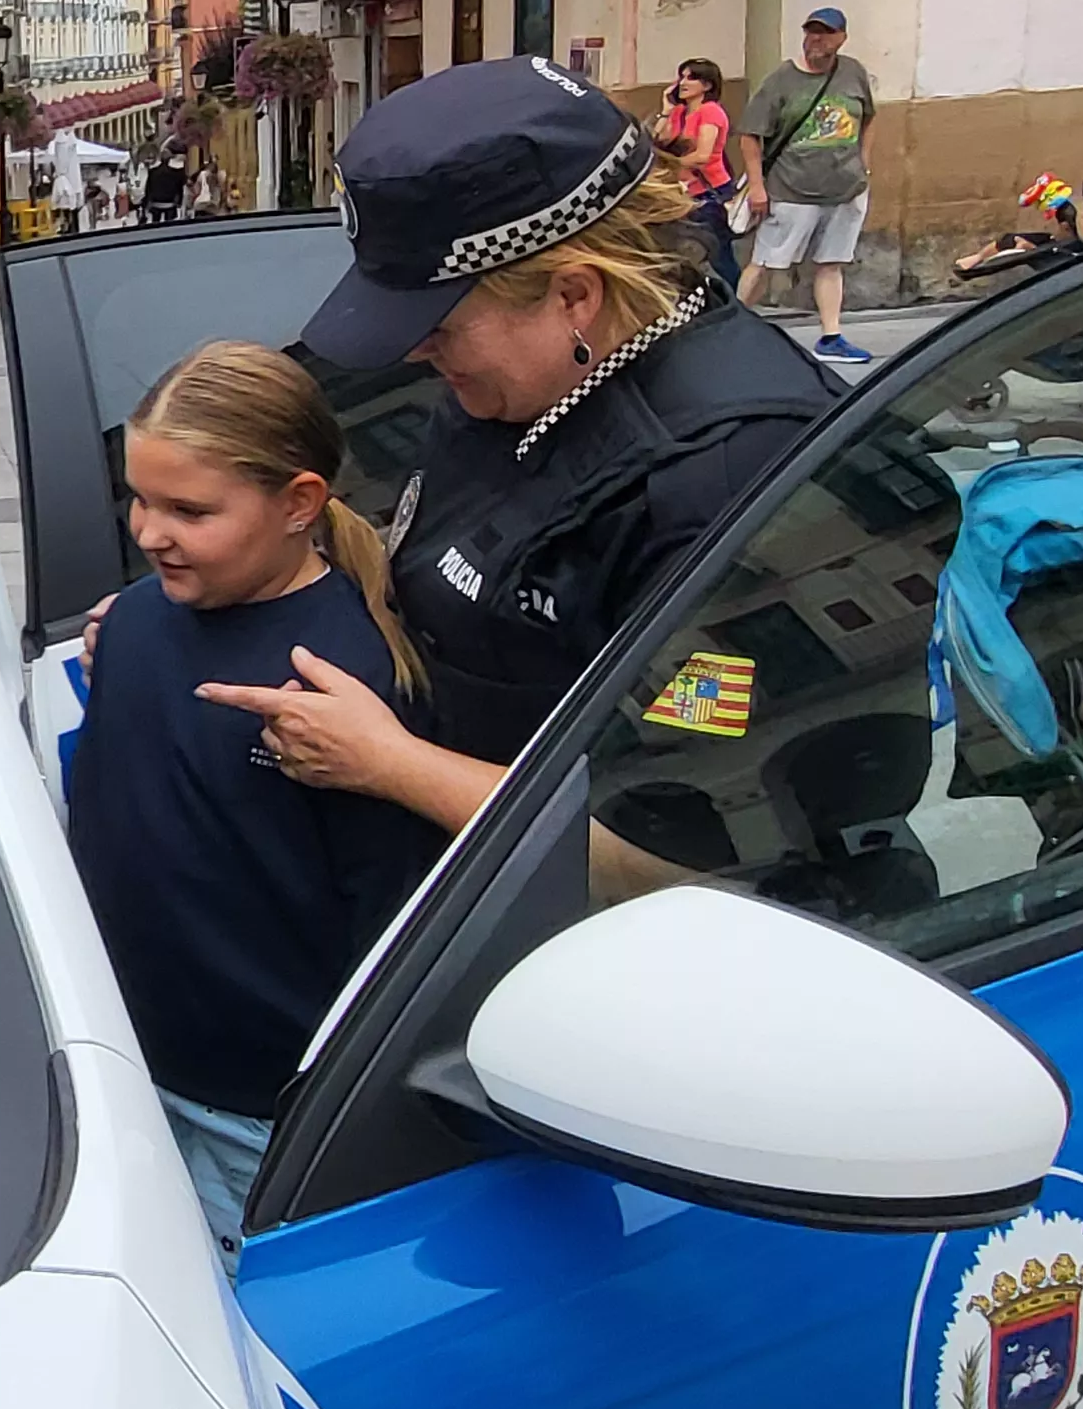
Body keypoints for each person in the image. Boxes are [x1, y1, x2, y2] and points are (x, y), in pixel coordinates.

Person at [194, 56, 842, 899]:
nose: (416, 352)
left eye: (439, 326)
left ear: (574, 295)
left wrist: (393, 766)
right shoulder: (523, 379)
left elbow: (684, 861)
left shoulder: (727, 478)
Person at [66, 339, 441, 1246]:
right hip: (121, 1063)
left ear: (299, 503)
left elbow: (385, 924)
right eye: (140, 499)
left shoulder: (338, 688)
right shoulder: (137, 619)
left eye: (190, 510)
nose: (150, 532)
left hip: (256, 1115)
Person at [733, 7, 880, 364]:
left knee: (831, 263)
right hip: (791, 190)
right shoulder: (782, 80)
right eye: (812, 31)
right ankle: (733, 328)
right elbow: (750, 136)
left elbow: (870, 117)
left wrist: (864, 163)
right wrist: (757, 188)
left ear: (841, 38)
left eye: (826, 33)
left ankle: (831, 337)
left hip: (845, 189)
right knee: (765, 263)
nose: (817, 39)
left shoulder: (853, 72)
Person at [658, 58, 739, 281]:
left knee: (717, 251)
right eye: (681, 77)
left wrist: (669, 163)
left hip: (709, 190)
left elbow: (703, 156)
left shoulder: (710, 112)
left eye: (691, 78)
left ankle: (732, 299)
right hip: (683, 190)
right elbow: (659, 141)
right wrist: (666, 110)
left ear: (707, 85)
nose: (683, 82)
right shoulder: (679, 113)